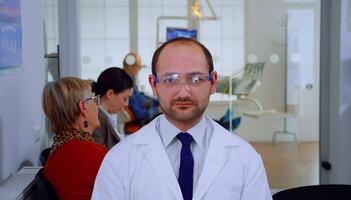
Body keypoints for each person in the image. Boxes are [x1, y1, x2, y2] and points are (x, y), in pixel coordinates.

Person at [92, 38, 272, 200]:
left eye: (195, 79)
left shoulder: (246, 159)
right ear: (154, 84)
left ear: (213, 82)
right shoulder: (119, 160)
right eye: (170, 80)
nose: (183, 92)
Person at [42, 77, 108, 199]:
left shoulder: (56, 150)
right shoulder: (94, 155)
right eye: (95, 99)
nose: (97, 105)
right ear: (83, 107)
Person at [92, 67, 134, 148]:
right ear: (110, 94)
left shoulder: (107, 116)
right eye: (124, 99)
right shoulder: (96, 123)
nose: (127, 104)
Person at [122, 52, 161, 133]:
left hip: (147, 110)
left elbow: (140, 96)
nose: (139, 69)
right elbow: (138, 113)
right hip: (143, 119)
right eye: (138, 66)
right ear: (129, 66)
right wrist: (158, 109)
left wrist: (159, 101)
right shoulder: (125, 84)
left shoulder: (130, 81)